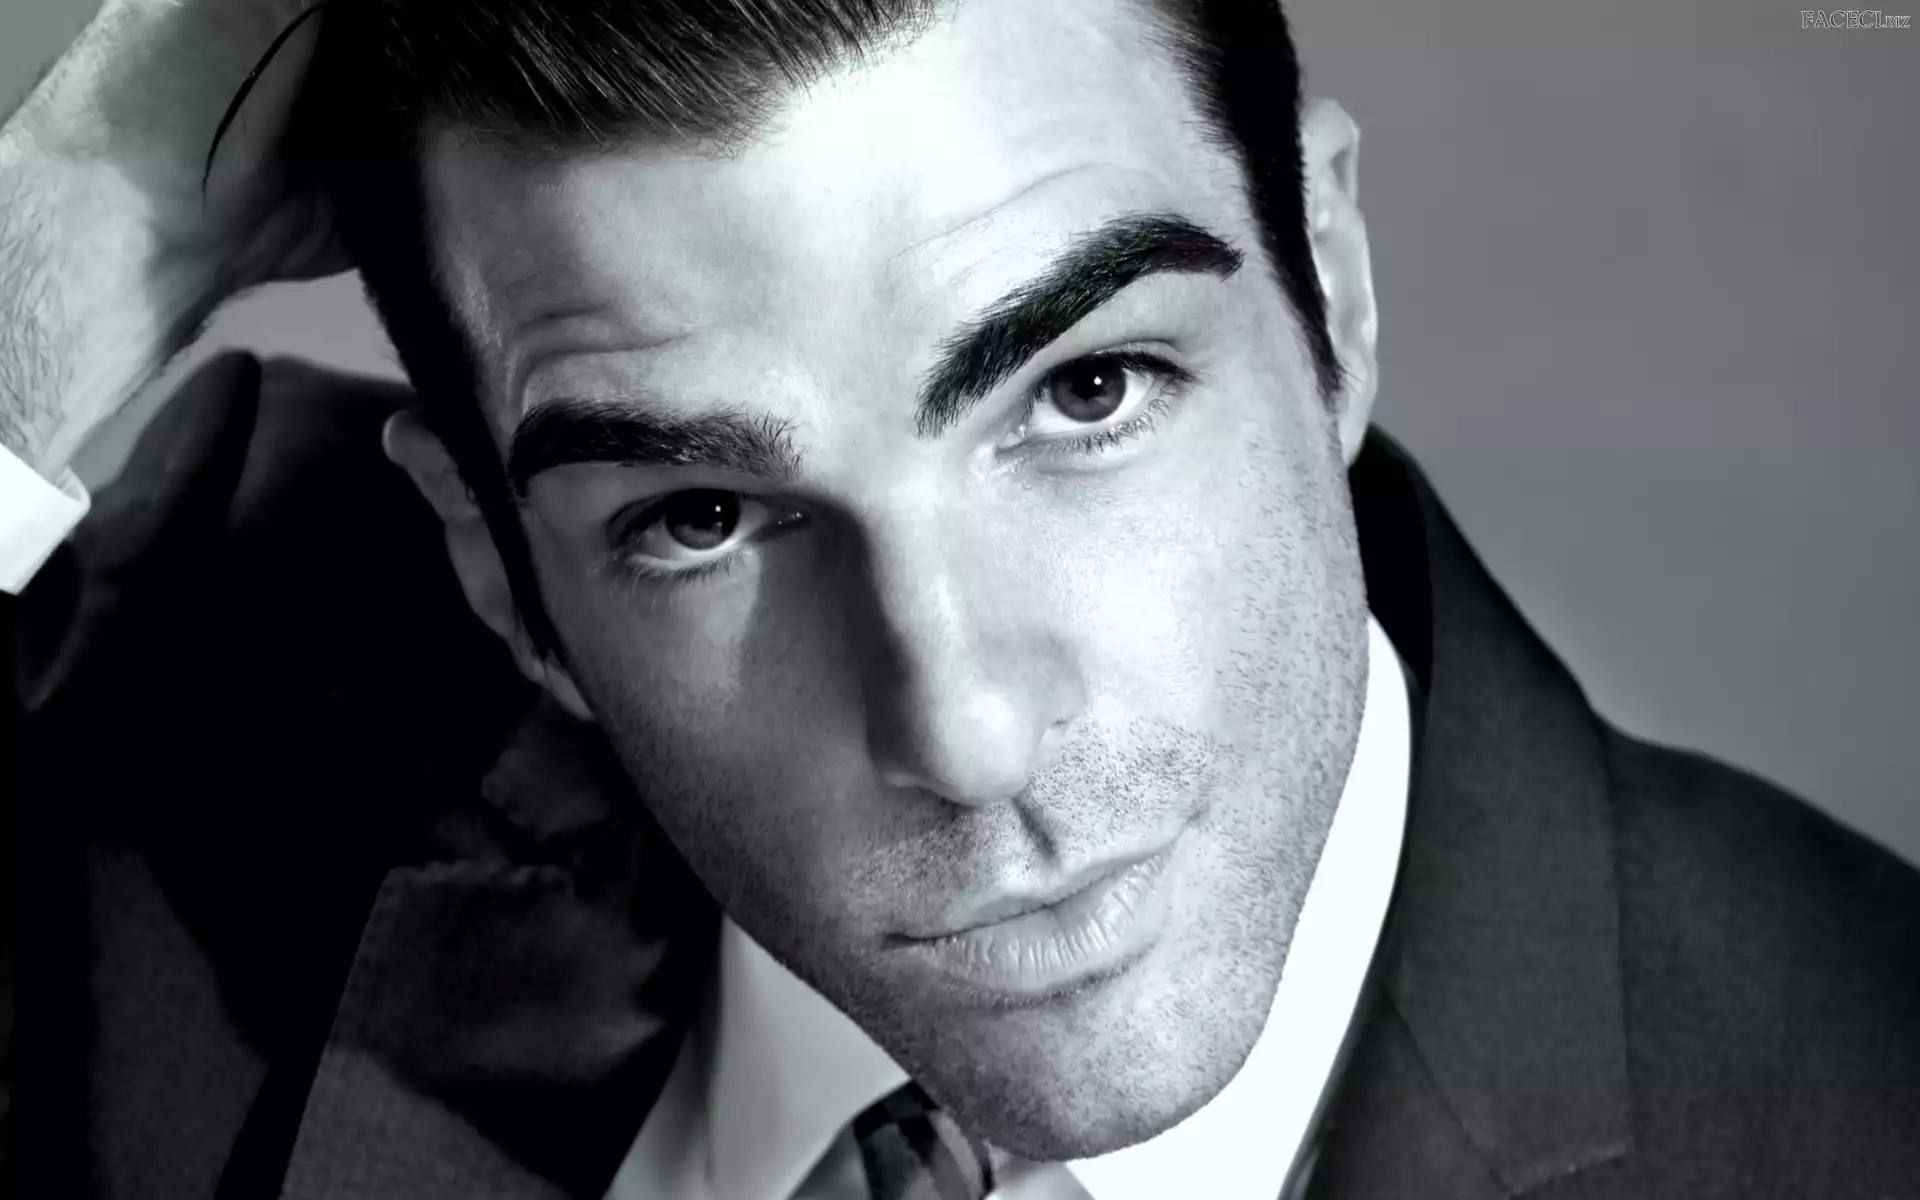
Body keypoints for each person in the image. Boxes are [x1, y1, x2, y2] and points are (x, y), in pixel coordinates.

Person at [3, 1, 1917, 1198]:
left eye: (1086, 393)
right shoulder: (179, 705)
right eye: (699, 516)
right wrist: (56, 250)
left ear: (1327, 287)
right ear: (497, 569)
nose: (966, 730)